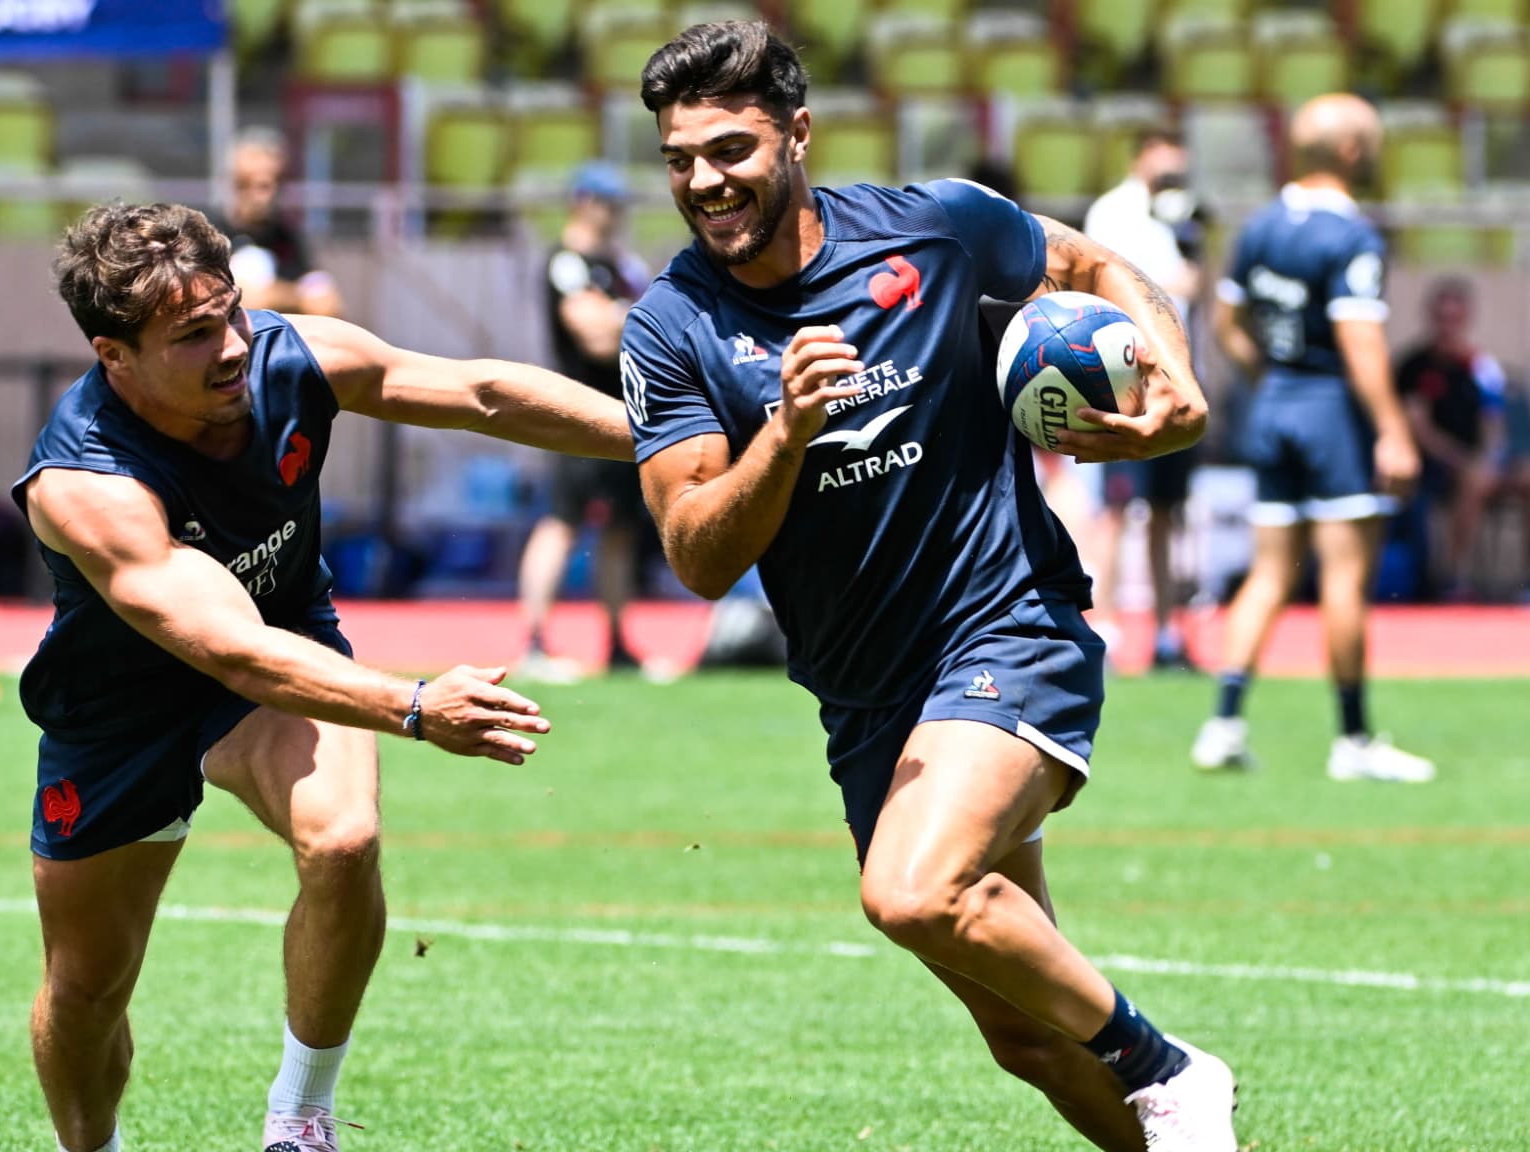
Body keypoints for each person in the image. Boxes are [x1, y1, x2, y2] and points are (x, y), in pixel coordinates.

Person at [624, 22, 1235, 1152]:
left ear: (796, 135)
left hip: (1005, 625)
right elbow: (698, 556)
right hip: (864, 699)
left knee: (911, 891)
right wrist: (785, 433)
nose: (704, 181)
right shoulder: (670, 328)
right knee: (1027, 1037)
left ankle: (1171, 1070)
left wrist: (1173, 379)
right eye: (678, 159)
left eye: (730, 149)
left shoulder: (937, 229)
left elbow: (1094, 265)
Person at [17, 201, 630, 1152]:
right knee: (88, 987)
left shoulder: (290, 356)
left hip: (280, 639)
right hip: (124, 706)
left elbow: (479, 393)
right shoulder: (86, 482)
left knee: (343, 842)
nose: (232, 346)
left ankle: (300, 1121)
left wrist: (664, 437)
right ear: (114, 355)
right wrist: (417, 707)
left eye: (232, 312)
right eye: (193, 335)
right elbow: (224, 649)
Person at [1193, 94, 1435, 783]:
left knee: (1269, 571)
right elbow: (1361, 343)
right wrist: (1393, 430)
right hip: (1331, 413)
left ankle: (1223, 724)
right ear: (1354, 151)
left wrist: (1269, 376)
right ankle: (1354, 741)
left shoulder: (1262, 225)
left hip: (1272, 408)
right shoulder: (1352, 236)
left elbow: (1227, 322)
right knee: (1344, 578)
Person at [515, 162, 657, 679]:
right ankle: (534, 641)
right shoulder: (565, 261)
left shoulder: (624, 265)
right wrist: (631, 318)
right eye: (604, 202)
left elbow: (654, 327)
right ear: (581, 202)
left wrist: (618, 316)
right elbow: (594, 336)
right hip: (575, 408)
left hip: (630, 410)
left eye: (618, 205)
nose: (613, 215)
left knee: (621, 528)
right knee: (562, 522)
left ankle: (618, 644)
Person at [1080, 128, 1204, 671]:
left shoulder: (1183, 212)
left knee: (1165, 513)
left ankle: (1165, 634)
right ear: (1144, 154)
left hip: (1175, 375)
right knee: (1115, 509)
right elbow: (1104, 281)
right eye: (1166, 151)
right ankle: (1102, 628)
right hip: (1125, 374)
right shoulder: (1113, 212)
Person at [1395, 277, 1530, 602]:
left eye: (1456, 319)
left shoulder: (1481, 365)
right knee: (1476, 477)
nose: (1449, 326)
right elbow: (1420, 429)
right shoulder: (1414, 366)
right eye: (1443, 318)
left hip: (1486, 464)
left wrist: (1497, 455)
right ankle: (1457, 580)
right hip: (1439, 467)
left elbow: (1495, 421)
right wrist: (1460, 459)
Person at [214, 128, 344, 318]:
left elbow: (327, 304)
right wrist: (296, 297)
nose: (260, 195)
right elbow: (249, 301)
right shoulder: (213, 235)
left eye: (268, 184)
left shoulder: (288, 237)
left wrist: (273, 294)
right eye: (247, 183)